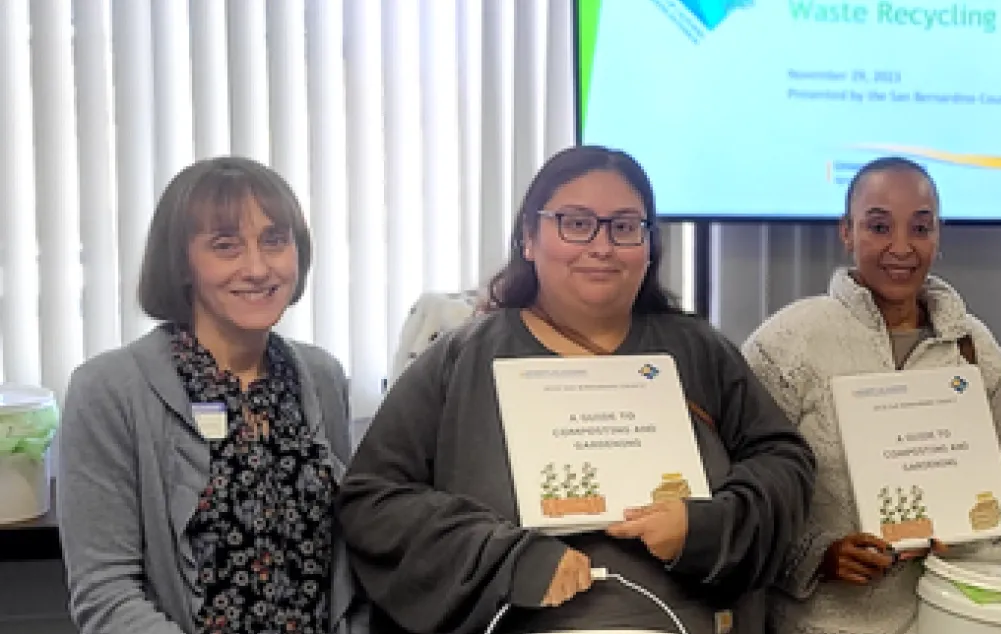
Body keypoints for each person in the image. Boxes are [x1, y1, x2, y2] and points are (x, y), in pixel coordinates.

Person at [337, 146, 817, 634]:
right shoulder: (464, 358)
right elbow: (374, 501)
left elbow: (784, 462)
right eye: (575, 222)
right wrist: (507, 560)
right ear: (529, 237)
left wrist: (703, 529)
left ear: (650, 246)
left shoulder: (696, 351)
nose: (602, 246)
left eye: (625, 226)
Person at [55, 156, 365, 634]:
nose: (258, 268)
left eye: (275, 241)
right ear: (182, 263)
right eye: (226, 246)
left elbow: (345, 569)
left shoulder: (320, 377)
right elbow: (106, 593)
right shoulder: (109, 390)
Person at [743, 157, 1001, 634]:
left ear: (939, 235)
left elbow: (998, 486)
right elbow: (746, 495)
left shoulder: (974, 349)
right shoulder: (788, 343)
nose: (901, 247)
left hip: (946, 614)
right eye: (879, 226)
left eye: (921, 228)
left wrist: (966, 529)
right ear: (846, 231)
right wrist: (817, 557)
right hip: (819, 622)